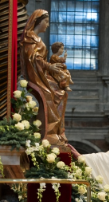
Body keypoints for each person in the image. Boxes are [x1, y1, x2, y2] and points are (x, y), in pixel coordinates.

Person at [20, 10, 68, 146]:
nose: (47, 24)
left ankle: (58, 131)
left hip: (42, 73)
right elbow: (34, 58)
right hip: (35, 75)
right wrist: (49, 67)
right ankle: (49, 134)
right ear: (38, 21)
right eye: (46, 21)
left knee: (61, 93)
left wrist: (50, 68)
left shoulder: (37, 38)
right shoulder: (30, 37)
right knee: (49, 95)